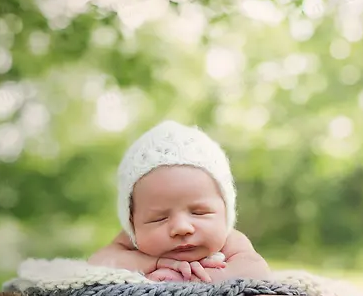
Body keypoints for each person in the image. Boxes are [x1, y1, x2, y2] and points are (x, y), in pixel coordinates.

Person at [88, 120, 271, 283]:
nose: (181, 228)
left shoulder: (230, 241)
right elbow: (97, 263)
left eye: (199, 212)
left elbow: (258, 271)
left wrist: (196, 280)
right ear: (133, 224)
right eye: (159, 218)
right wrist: (154, 264)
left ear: (226, 213)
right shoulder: (133, 240)